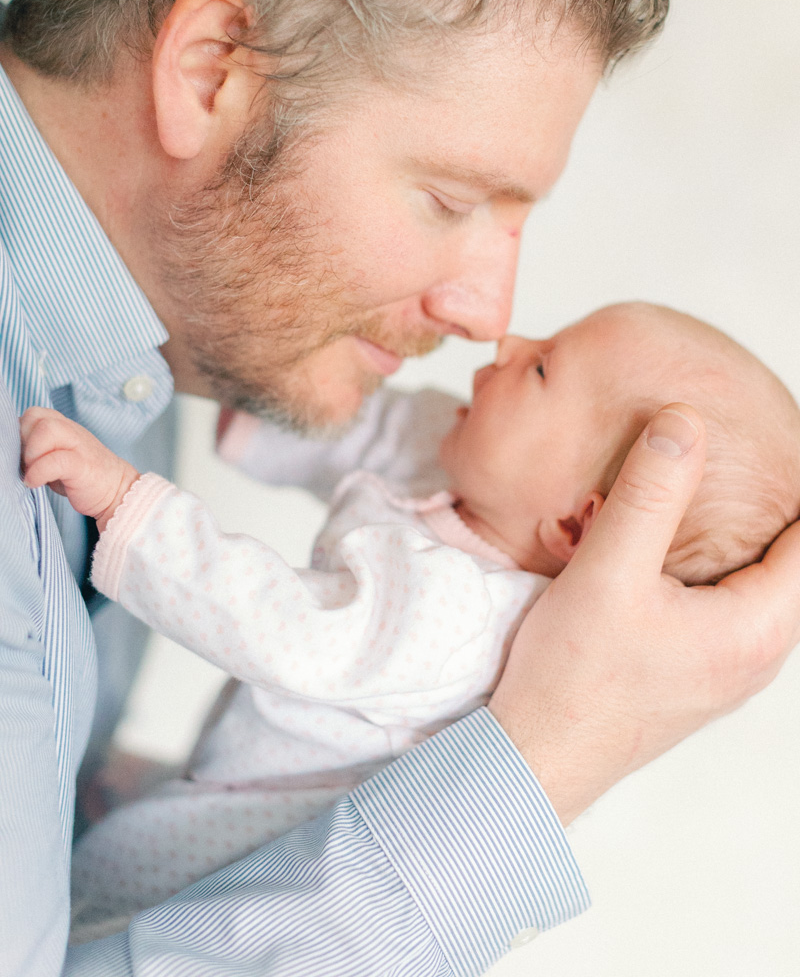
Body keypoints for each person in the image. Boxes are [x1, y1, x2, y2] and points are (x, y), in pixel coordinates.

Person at [1, 0, 798, 974]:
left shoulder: (137, 362)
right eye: (449, 198)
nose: (487, 315)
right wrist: (550, 754)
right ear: (213, 69)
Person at [19, 299, 800, 942]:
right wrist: (257, 412)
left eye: (539, 368)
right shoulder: (477, 468)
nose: (509, 339)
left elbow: (277, 622)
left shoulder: (459, 619)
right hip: (232, 769)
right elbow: (381, 432)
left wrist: (129, 506)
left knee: (90, 889)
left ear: (577, 529)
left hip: (224, 847)